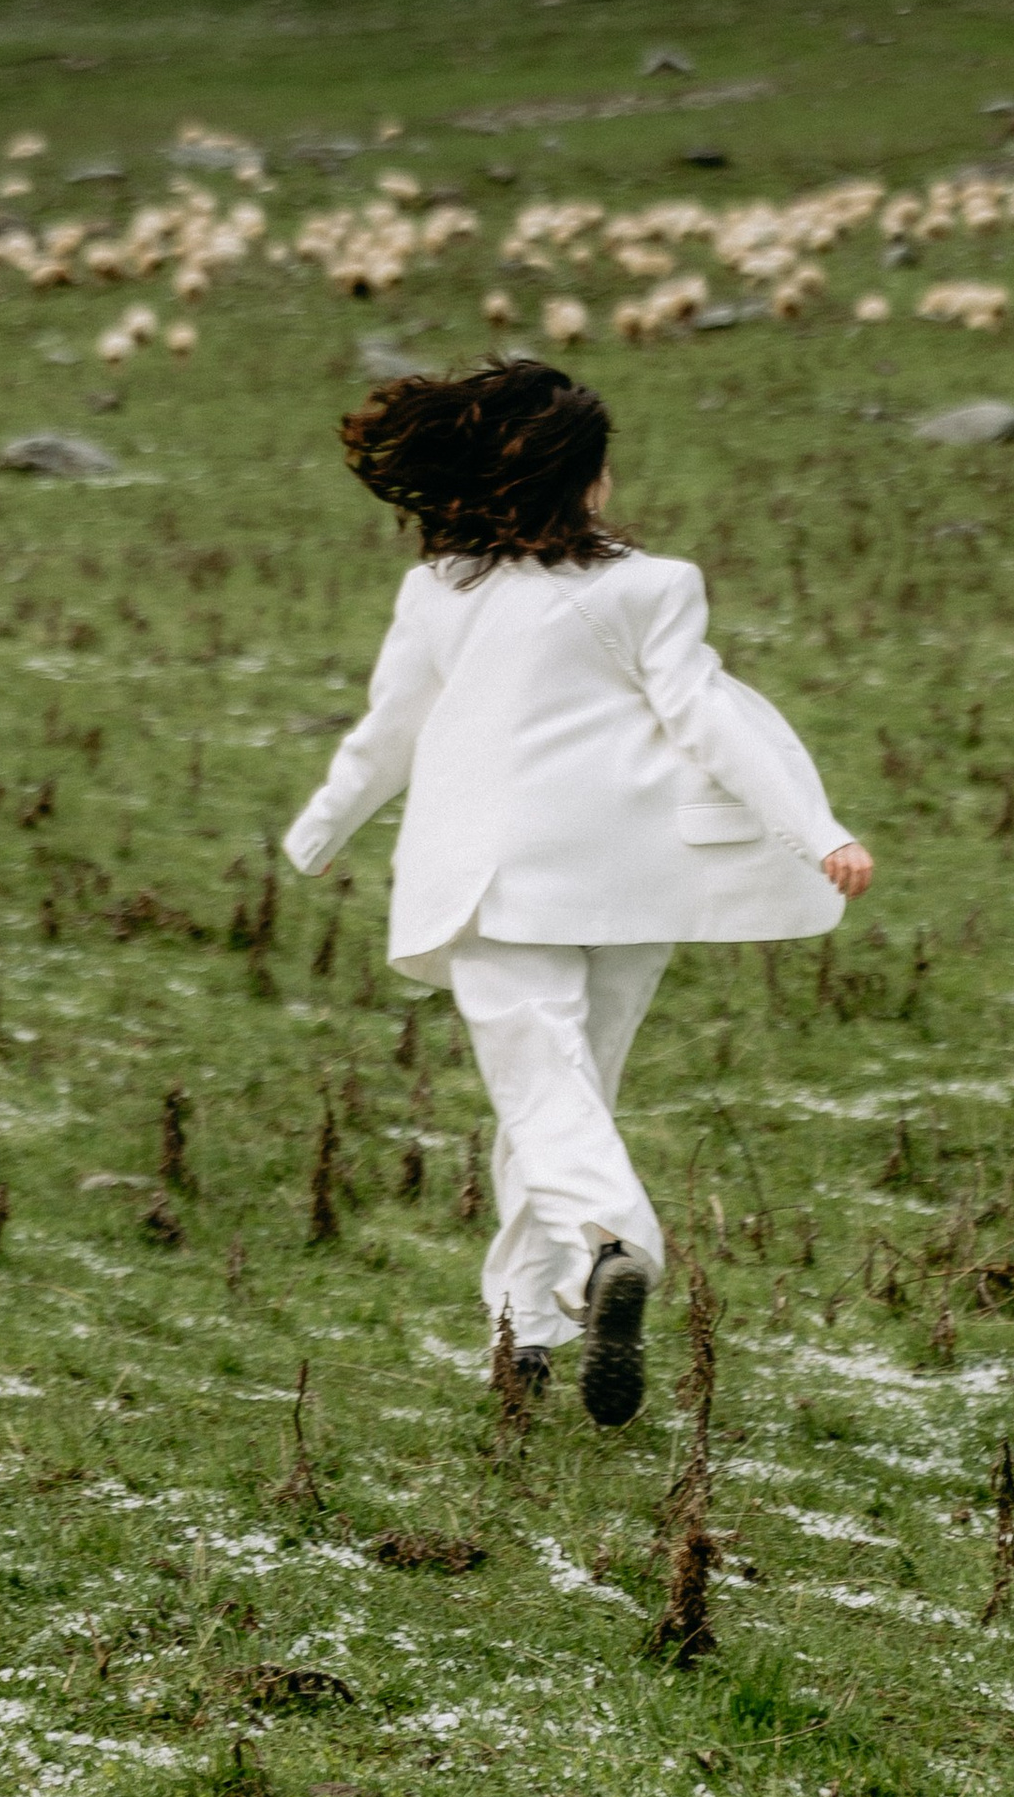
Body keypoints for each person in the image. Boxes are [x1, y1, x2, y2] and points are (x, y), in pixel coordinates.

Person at [284, 358, 871, 1425]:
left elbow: (389, 732)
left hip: (495, 876)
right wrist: (817, 829)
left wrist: (320, 830)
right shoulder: (656, 584)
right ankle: (527, 1332)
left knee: (543, 1090)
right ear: (586, 479)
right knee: (571, 1092)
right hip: (633, 881)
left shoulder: (441, 591)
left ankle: (612, 1247)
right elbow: (710, 719)